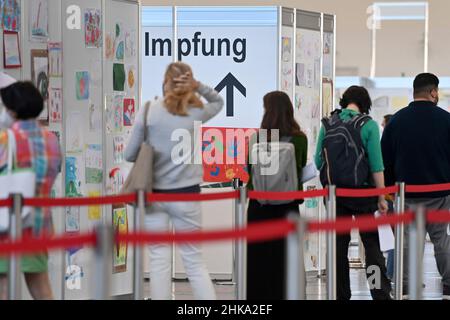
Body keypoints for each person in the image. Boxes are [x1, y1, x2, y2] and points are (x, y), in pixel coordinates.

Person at [125, 62, 223, 300]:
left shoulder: (149, 110)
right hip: (187, 194)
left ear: (165, 81)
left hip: (155, 195)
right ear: (189, 83)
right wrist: (199, 87)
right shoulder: (196, 111)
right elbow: (218, 102)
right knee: (194, 262)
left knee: (158, 259)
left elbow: (129, 154)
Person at [315, 86, 392, 300]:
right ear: (364, 103)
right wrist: (381, 196)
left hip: (334, 195)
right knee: (371, 245)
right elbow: (377, 166)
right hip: (363, 195)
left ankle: (340, 294)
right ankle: (379, 293)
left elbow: (318, 160)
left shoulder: (328, 123)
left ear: (344, 100)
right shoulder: (368, 125)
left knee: (339, 245)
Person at [381, 73, 450, 300]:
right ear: (433, 92)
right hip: (441, 193)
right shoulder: (446, 119)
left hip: (406, 194)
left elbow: (386, 160)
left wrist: (390, 191)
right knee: (442, 240)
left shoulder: (397, 121)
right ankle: (449, 283)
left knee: (408, 241)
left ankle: (405, 285)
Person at [0, 82, 62, 300]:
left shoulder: (6, 139)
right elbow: (53, 173)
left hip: (7, 226)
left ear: (12, 111)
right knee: (41, 287)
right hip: (38, 223)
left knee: (4, 287)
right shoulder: (52, 140)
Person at [246, 91, 308, 300]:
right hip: (287, 207)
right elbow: (299, 170)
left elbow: (249, 170)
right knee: (286, 260)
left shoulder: (257, 138)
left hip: (258, 206)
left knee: (258, 262)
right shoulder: (299, 139)